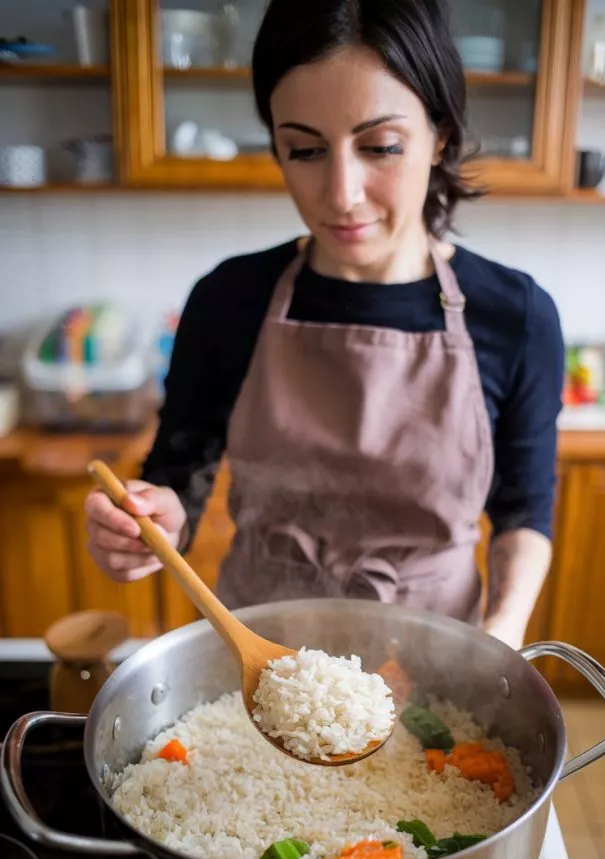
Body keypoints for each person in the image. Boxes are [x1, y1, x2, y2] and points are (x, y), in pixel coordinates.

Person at [85, 0, 564, 651]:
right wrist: (152, 525)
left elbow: (522, 512)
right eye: (304, 149)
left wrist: (500, 636)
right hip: (255, 660)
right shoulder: (230, 299)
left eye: (381, 146)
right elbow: (179, 474)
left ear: (440, 135)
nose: (340, 193)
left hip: (436, 662)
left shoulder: (516, 316)